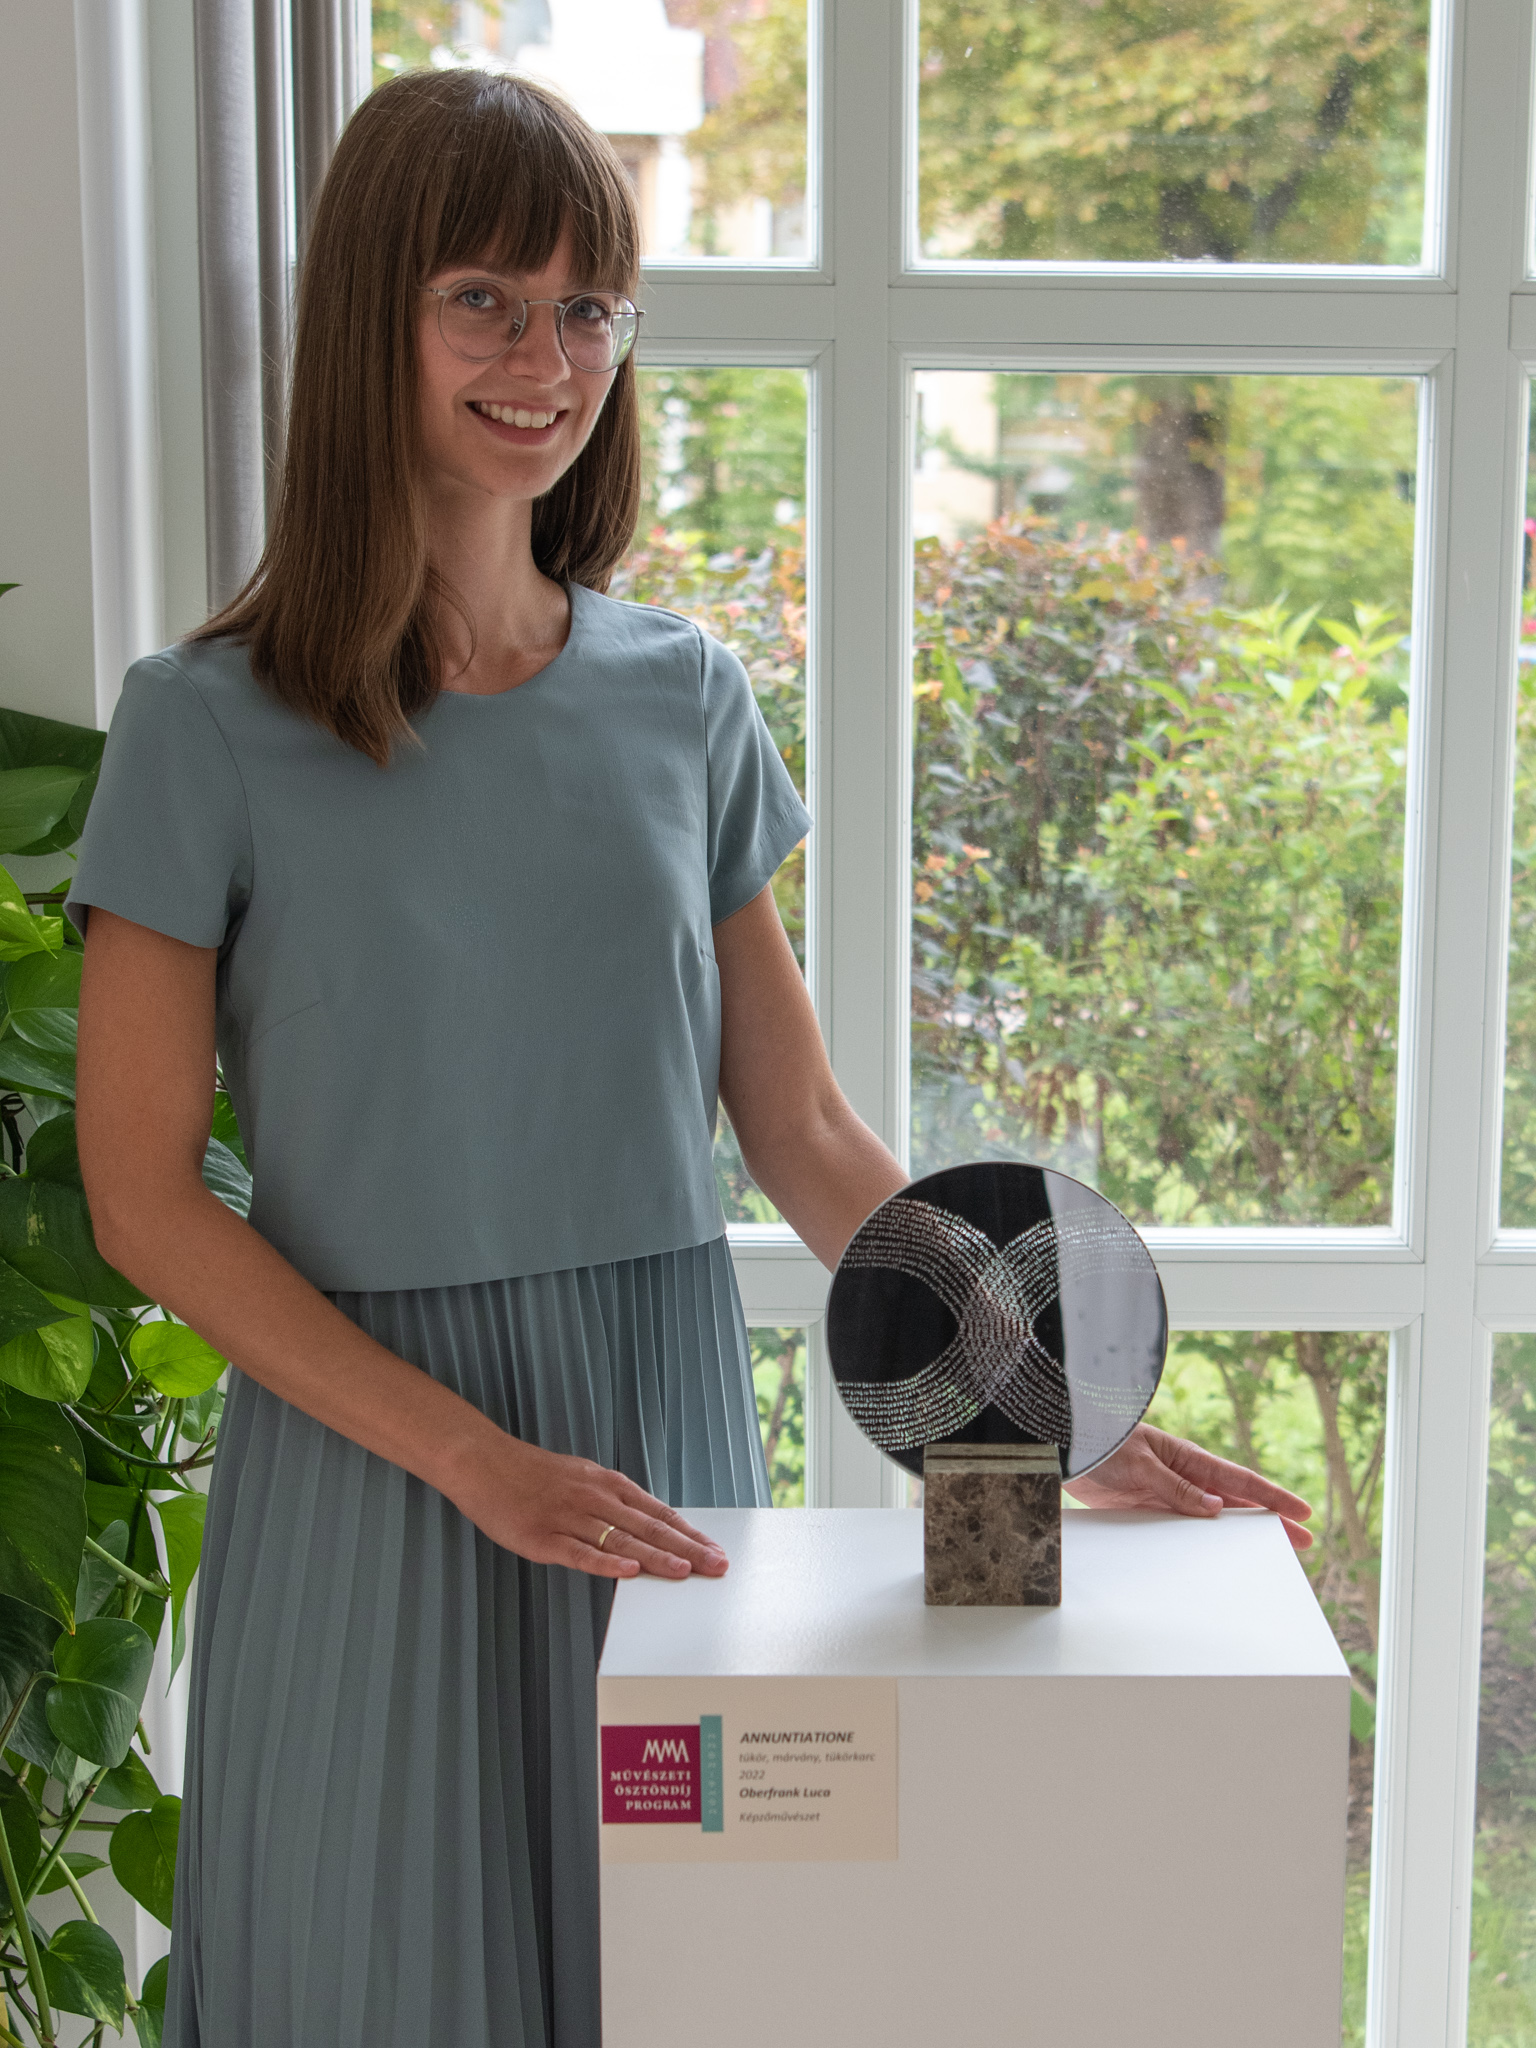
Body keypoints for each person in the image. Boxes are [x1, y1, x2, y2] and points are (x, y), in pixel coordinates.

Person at [71, 66, 1312, 2048]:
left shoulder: (682, 696)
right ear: (373, 312)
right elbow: (141, 1201)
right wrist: (471, 1459)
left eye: (588, 307)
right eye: (485, 299)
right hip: (378, 1459)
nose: (547, 358)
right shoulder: (203, 719)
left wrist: (1038, 1403)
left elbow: (799, 1123)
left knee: (678, 1971)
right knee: (362, 1969)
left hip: (651, 1427)